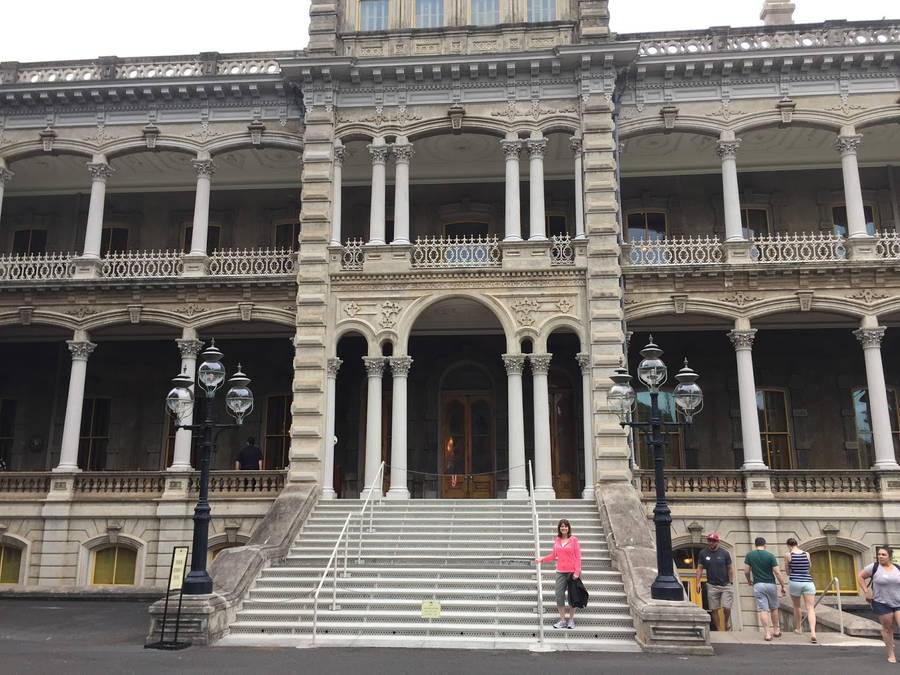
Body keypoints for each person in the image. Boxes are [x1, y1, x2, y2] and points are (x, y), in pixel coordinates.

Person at [536, 518, 582, 629]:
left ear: (568, 528)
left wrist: (577, 572)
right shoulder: (557, 540)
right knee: (559, 596)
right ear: (559, 528)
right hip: (560, 572)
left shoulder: (574, 540)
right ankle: (562, 620)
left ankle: (571, 620)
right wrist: (542, 559)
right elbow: (553, 555)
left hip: (572, 573)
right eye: (562, 526)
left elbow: (578, 557)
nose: (564, 528)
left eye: (565, 526)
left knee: (572, 597)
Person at [859, 546, 900, 663]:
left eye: (883, 555)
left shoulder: (897, 568)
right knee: (888, 629)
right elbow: (860, 576)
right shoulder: (874, 567)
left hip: (898, 602)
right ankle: (891, 654)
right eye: (879, 554)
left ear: (890, 557)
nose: (880, 556)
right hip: (882, 603)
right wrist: (866, 591)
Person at [744, 536, 787, 641]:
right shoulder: (770, 556)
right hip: (770, 584)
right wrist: (783, 585)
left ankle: (767, 634)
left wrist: (749, 580)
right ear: (765, 544)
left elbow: (746, 571)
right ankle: (776, 631)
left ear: (755, 545)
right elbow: (777, 572)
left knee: (763, 609)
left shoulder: (750, 555)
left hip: (758, 584)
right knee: (774, 607)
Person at [695, 533, 733, 631]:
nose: (711, 543)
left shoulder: (724, 553)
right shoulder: (703, 553)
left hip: (725, 584)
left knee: (726, 607)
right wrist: (697, 582)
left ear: (717, 542)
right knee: (714, 609)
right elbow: (699, 568)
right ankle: (719, 629)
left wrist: (730, 581)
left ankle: (726, 621)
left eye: (713, 541)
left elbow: (730, 568)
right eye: (709, 540)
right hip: (712, 585)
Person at [784, 537, 817, 643]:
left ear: (789, 546)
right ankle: (813, 632)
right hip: (808, 582)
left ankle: (799, 628)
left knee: (797, 606)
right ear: (797, 544)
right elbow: (809, 567)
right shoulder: (806, 554)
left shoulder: (788, 555)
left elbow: (787, 571)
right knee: (810, 608)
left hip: (795, 582)